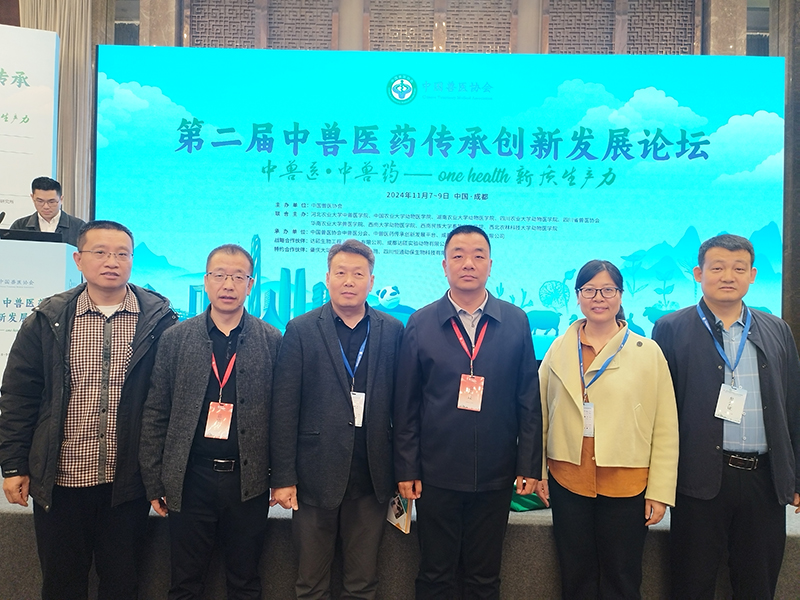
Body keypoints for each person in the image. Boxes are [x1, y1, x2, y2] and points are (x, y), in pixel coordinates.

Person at [0, 220, 177, 600]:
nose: (111, 261)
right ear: (78, 260)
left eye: (122, 254)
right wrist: (13, 465)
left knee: (122, 583)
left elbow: (170, 403)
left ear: (132, 261)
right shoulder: (47, 319)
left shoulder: (159, 321)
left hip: (126, 481)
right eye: (100, 252)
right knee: (62, 582)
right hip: (61, 479)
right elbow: (18, 396)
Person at [393, 224, 541, 599]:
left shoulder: (516, 321)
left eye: (478, 255)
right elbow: (407, 405)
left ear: (490, 265)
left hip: (496, 474)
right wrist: (407, 467)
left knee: (484, 577)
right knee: (435, 575)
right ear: (445, 266)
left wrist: (528, 464)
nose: (468, 263)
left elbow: (528, 398)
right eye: (458, 255)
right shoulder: (421, 323)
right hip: (436, 474)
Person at [652, 234, 800, 599]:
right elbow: (659, 410)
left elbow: (793, 404)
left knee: (758, 585)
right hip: (698, 479)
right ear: (698, 273)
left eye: (738, 268)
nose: (728, 276)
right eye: (717, 268)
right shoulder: (670, 328)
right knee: (692, 583)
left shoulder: (777, 329)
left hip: (764, 480)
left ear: (752, 275)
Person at [139, 244, 281, 600]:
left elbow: (282, 417)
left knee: (245, 581)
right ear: (206, 281)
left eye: (238, 276)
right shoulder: (176, 338)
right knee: (185, 583)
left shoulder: (271, 340)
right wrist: (154, 479)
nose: (228, 284)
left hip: (248, 480)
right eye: (219, 275)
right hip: (190, 477)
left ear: (251, 284)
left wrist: (281, 478)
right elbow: (156, 412)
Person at [536, 259, 679, 599]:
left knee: (622, 577)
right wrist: (538, 470)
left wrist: (660, 491)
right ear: (577, 296)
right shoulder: (558, 348)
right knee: (575, 575)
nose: (598, 298)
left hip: (627, 482)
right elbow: (539, 415)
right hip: (568, 478)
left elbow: (666, 426)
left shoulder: (648, 352)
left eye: (608, 290)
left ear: (620, 294)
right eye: (589, 290)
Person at [271, 239, 403, 600]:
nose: (349, 281)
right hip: (314, 477)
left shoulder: (392, 330)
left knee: (362, 583)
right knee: (311, 583)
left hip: (372, 475)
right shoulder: (301, 329)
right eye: (341, 272)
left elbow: (403, 406)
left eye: (358, 274)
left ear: (371, 281)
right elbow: (284, 408)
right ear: (327, 278)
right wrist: (282, 477)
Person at [9, 176, 86, 246]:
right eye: (40, 201)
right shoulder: (19, 226)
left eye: (51, 202)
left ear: (61, 199)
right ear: (32, 198)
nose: (46, 206)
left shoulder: (78, 227)